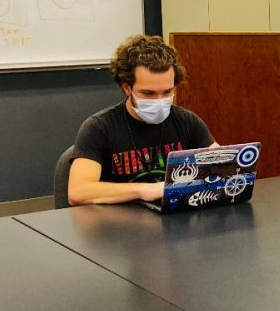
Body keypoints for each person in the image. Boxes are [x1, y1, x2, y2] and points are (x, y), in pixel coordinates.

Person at [67, 34, 217, 205]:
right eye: (148, 93)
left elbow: (223, 168)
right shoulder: (99, 128)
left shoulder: (187, 121)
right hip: (118, 225)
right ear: (127, 88)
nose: (159, 100)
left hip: (175, 221)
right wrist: (144, 190)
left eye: (167, 92)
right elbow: (78, 192)